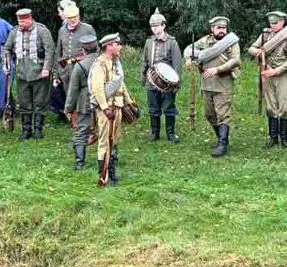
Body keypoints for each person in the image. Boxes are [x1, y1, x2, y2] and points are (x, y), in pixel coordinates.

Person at [186, 15, 241, 158]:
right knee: (209, 115)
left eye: (224, 28)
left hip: (223, 83)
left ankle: (223, 143)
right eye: (219, 28)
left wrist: (218, 69)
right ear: (212, 29)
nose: (222, 30)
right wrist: (188, 59)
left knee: (223, 114)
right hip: (206, 84)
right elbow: (188, 50)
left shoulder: (231, 42)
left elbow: (235, 60)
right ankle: (220, 139)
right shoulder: (205, 41)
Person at [247, 10, 287, 149]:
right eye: (271, 23)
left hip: (282, 75)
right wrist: (258, 52)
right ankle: (273, 137)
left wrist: (275, 71)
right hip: (266, 73)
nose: (273, 25)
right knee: (270, 106)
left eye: (276, 23)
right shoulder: (265, 35)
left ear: (282, 22)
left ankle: (284, 138)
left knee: (284, 107)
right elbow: (251, 48)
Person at [90, 32, 134, 186]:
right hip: (107, 110)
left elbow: (121, 84)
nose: (120, 47)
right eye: (117, 44)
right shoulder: (100, 64)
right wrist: (105, 108)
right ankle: (104, 175)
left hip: (118, 106)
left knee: (114, 140)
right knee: (104, 142)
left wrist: (129, 102)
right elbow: (97, 89)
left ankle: (112, 172)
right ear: (109, 46)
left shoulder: (116, 63)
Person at [4, 7, 55, 139]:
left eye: (24, 21)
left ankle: (38, 129)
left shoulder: (42, 31)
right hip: (22, 72)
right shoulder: (14, 33)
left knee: (40, 102)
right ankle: (26, 130)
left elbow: (50, 51)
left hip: (39, 71)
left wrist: (46, 68)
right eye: (20, 22)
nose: (22, 24)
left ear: (30, 19)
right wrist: (7, 62)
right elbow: (7, 49)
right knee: (24, 102)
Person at [141, 12, 183, 143]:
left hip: (168, 83)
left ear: (163, 25)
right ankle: (155, 133)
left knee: (169, 107)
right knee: (153, 108)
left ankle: (171, 133)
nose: (154, 29)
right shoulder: (149, 42)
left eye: (157, 26)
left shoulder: (172, 42)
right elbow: (145, 61)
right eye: (152, 26)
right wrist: (143, 77)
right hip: (152, 80)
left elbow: (177, 64)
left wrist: (176, 83)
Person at [54, 0, 96, 118]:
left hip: (83, 68)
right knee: (70, 94)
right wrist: (57, 73)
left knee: (84, 95)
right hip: (67, 69)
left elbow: (95, 50)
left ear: (79, 16)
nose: (73, 21)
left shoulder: (88, 28)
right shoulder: (62, 30)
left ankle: (88, 119)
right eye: (70, 19)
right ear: (65, 18)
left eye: (75, 18)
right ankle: (74, 121)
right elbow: (59, 52)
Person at [63, 32, 99, 170]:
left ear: (83, 49)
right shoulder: (105, 62)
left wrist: (68, 109)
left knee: (81, 131)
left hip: (85, 101)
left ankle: (80, 163)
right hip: (104, 100)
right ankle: (110, 158)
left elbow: (73, 90)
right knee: (106, 130)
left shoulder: (80, 66)